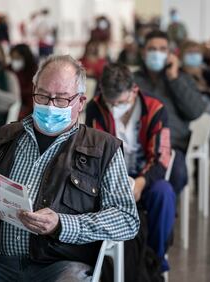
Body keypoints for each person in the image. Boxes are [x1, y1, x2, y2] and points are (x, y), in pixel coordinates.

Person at [0, 54, 139, 282]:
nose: (50, 106)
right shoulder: (1, 139)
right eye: (43, 96)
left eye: (62, 99)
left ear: (81, 102)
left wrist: (63, 224)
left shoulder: (103, 149)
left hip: (60, 266)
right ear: (34, 91)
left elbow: (126, 219)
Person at [86, 63, 175, 275]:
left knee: (164, 193)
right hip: (109, 179)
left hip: (145, 176)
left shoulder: (156, 109)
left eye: (121, 102)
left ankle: (154, 258)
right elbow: (93, 152)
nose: (115, 106)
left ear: (133, 90)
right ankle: (98, 261)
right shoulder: (96, 107)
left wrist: (142, 182)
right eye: (111, 102)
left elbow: (162, 157)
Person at [133, 30, 207, 195]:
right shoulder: (133, 80)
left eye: (162, 49)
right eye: (152, 49)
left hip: (172, 145)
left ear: (169, 54)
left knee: (177, 174)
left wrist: (173, 78)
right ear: (143, 52)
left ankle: (166, 211)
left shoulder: (181, 78)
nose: (157, 53)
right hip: (137, 145)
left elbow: (195, 111)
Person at [9, 44, 38, 120]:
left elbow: (32, 93)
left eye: (18, 58)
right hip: (10, 104)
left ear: (25, 57)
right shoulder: (8, 69)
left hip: (28, 108)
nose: (14, 61)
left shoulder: (33, 71)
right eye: (12, 58)